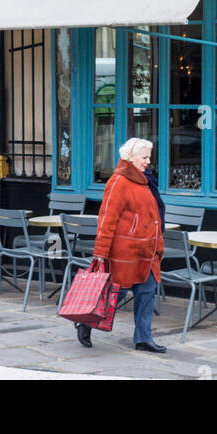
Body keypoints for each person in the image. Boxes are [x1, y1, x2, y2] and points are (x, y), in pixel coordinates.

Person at [76, 137, 166, 353]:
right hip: (125, 252)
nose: (148, 162)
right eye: (144, 157)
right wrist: (100, 252)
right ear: (130, 157)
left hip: (147, 251)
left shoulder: (145, 180)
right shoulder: (118, 181)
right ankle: (86, 323)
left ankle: (143, 338)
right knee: (116, 296)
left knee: (147, 292)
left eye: (148, 157)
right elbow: (107, 219)